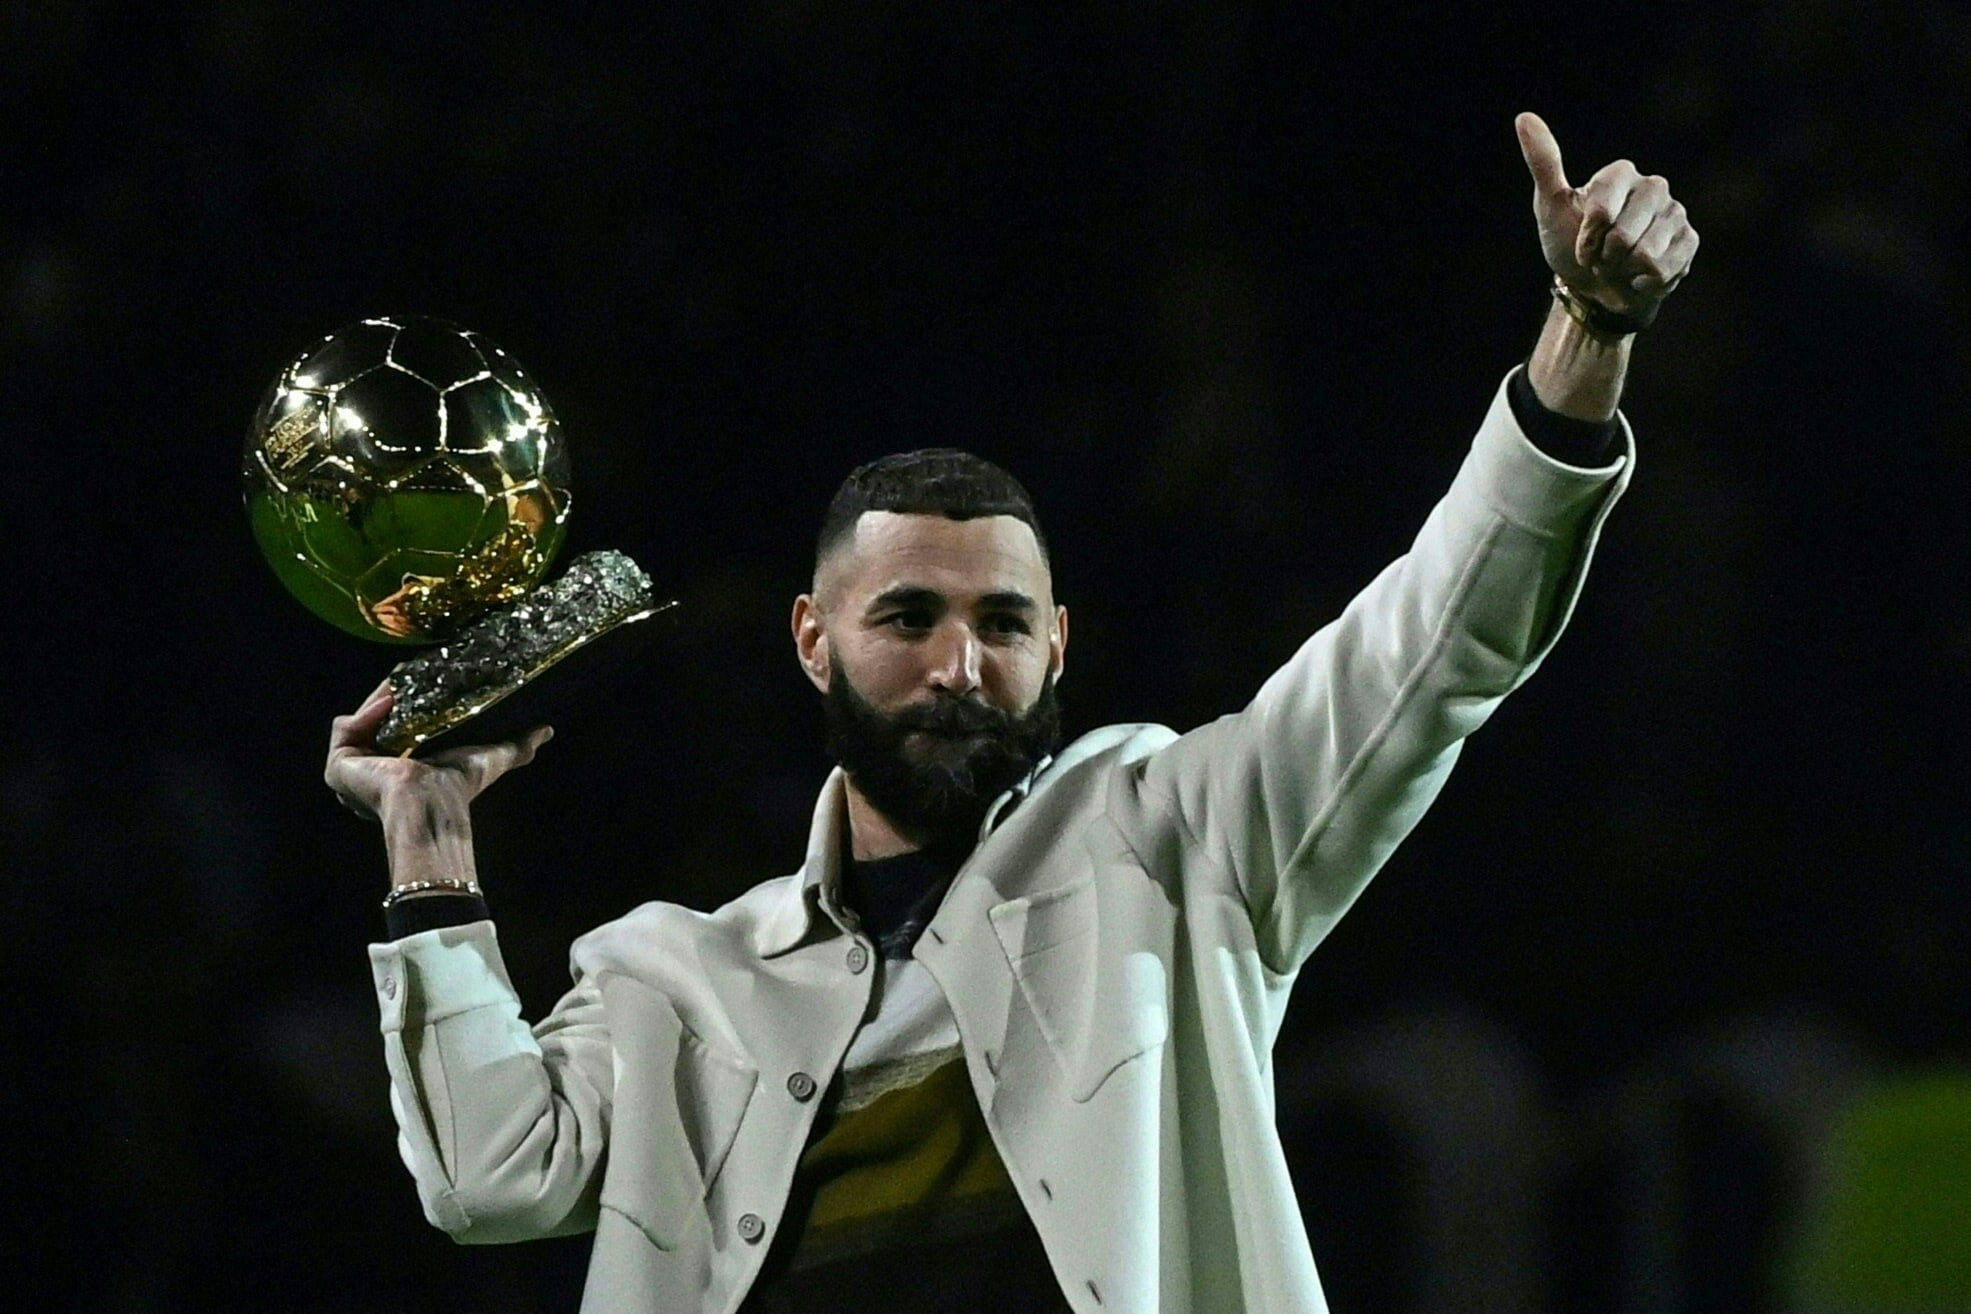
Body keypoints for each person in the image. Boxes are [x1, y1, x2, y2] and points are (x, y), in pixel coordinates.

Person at [326, 113, 1696, 1313]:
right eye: (908, 617)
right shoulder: (674, 977)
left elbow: (1433, 649)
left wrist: (1585, 338)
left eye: (1002, 623)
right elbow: (486, 1175)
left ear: (1059, 648)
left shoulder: (1169, 844)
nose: (961, 663)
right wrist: (430, 841)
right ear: (813, 638)